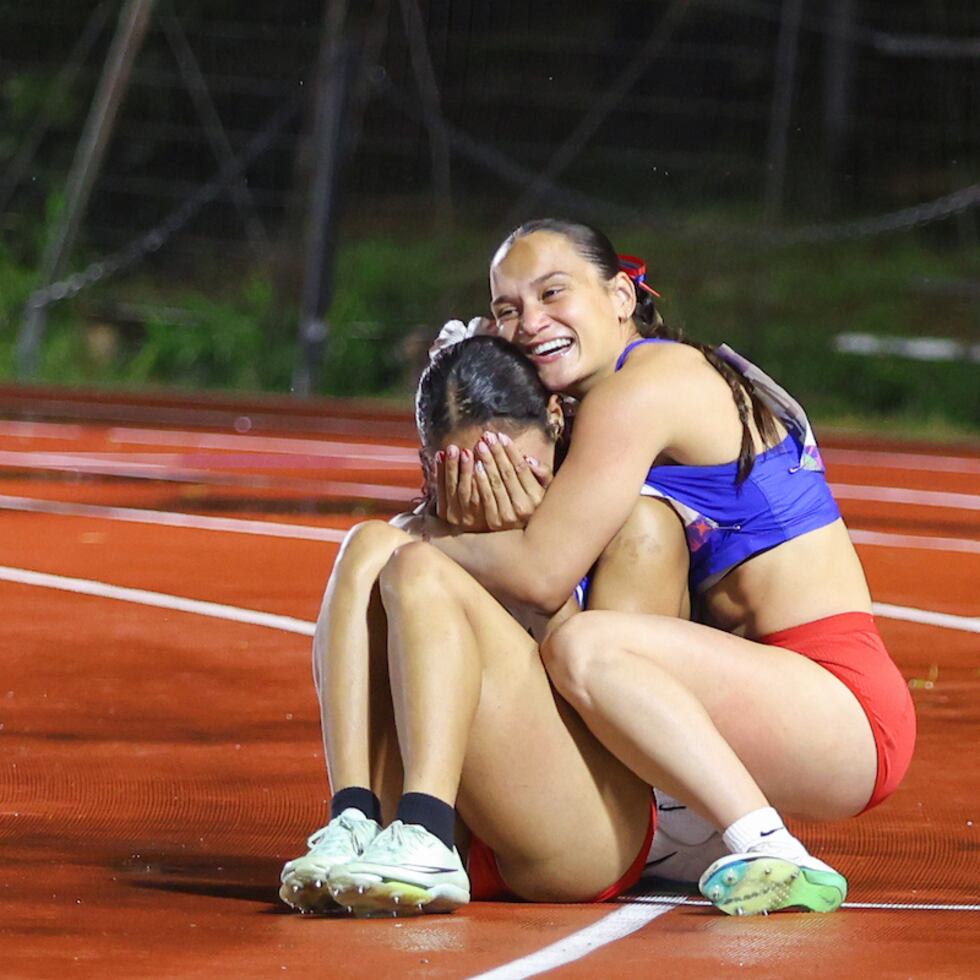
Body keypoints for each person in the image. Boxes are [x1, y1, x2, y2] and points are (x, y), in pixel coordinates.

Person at [429, 218, 916, 916]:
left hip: (844, 705)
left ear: (622, 297)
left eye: (553, 293)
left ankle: (765, 843)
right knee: (629, 543)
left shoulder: (645, 388)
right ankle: (678, 826)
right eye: (509, 309)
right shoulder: (612, 391)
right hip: (784, 690)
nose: (531, 322)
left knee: (585, 644)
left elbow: (539, 573)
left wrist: (423, 538)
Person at [279, 335, 704, 918]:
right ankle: (356, 819)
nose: (491, 489)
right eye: (467, 472)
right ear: (433, 466)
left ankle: (425, 829)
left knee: (418, 565)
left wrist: (528, 579)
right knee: (371, 542)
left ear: (556, 420)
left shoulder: (636, 529)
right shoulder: (420, 531)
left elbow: (631, 732)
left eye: (514, 466)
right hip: (474, 817)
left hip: (588, 826)